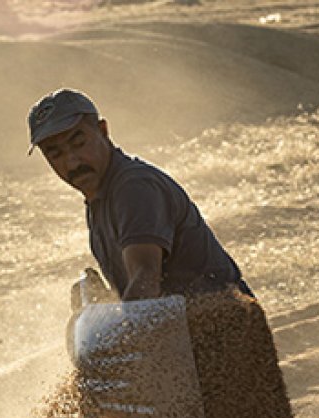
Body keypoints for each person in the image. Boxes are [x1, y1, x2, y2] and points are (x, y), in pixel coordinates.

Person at [28, 88, 253, 302]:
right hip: (183, 332)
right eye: (55, 154)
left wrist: (119, 336)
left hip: (223, 326)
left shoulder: (133, 188)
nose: (72, 161)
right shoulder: (100, 198)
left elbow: (145, 283)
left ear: (103, 131)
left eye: (79, 143)